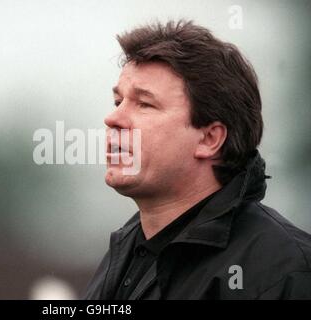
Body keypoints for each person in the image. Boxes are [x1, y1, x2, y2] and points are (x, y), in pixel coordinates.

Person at [83, 20, 311, 299]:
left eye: (145, 104)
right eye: (118, 102)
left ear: (209, 139)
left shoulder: (285, 272)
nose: (113, 118)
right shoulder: (123, 254)